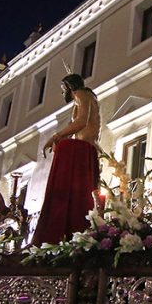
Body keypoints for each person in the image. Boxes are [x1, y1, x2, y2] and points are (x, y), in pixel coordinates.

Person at [31, 73, 102, 246]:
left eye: (63, 88)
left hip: (82, 149)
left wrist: (57, 136)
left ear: (70, 87)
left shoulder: (81, 94)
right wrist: (61, 138)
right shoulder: (87, 97)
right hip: (87, 147)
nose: (63, 92)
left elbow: (81, 121)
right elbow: (77, 125)